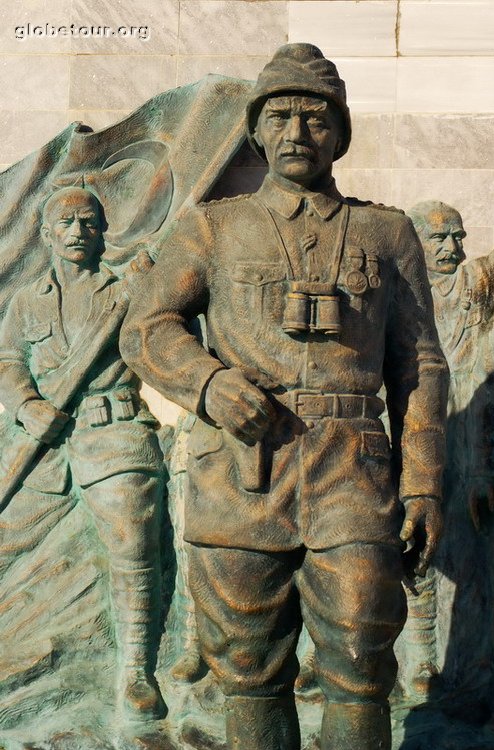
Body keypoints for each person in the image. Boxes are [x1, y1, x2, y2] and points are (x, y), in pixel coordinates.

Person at [120, 44, 448, 750]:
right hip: (242, 470)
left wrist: (422, 484)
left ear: (339, 133)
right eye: (279, 118)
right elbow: (146, 329)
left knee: (361, 662)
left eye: (314, 119)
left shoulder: (385, 232)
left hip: (352, 473)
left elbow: (418, 362)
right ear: (256, 131)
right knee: (247, 667)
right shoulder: (212, 226)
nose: (296, 135)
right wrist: (208, 384)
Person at [0, 186, 166, 722]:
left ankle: (135, 670)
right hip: (43, 450)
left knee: (131, 544)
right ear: (46, 233)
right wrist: (26, 406)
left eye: (89, 223)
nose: (78, 231)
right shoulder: (29, 299)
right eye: (67, 222)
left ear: (103, 232)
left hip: (114, 434)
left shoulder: (128, 288)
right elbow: (6, 360)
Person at [404, 201, 494, 716]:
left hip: (468, 432)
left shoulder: (476, 287)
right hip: (411, 431)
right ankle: (419, 658)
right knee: (415, 542)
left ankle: (464, 665)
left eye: (458, 237)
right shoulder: (398, 294)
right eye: (438, 239)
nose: (452, 248)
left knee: (463, 553)